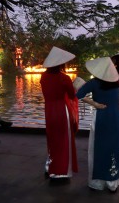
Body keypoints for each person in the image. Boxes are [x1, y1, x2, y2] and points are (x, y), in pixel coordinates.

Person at [76, 57, 119, 193]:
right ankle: (113, 182)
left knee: (99, 147)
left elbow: (78, 95)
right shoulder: (116, 83)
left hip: (101, 116)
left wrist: (94, 104)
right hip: (116, 116)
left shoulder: (94, 83)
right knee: (115, 146)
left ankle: (98, 182)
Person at [40, 46, 78, 180]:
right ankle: (62, 171)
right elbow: (72, 94)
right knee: (64, 140)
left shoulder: (43, 77)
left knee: (52, 139)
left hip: (49, 110)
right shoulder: (64, 78)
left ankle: (50, 167)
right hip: (62, 110)